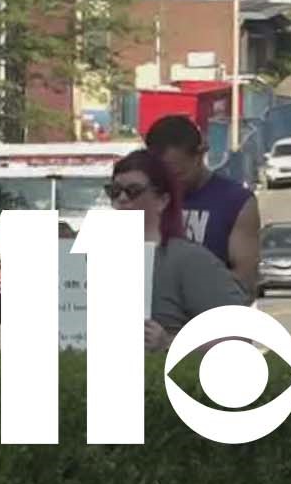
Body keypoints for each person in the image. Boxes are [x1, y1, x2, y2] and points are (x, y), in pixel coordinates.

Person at [106, 148, 247, 350]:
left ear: (162, 201)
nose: (121, 198)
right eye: (114, 191)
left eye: (133, 191)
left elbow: (238, 337)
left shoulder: (189, 260)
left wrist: (169, 343)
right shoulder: (91, 258)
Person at [145, 114, 259, 299]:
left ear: (199, 155)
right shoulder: (146, 197)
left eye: (178, 173)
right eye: (163, 174)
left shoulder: (235, 200)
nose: (171, 182)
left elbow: (245, 282)